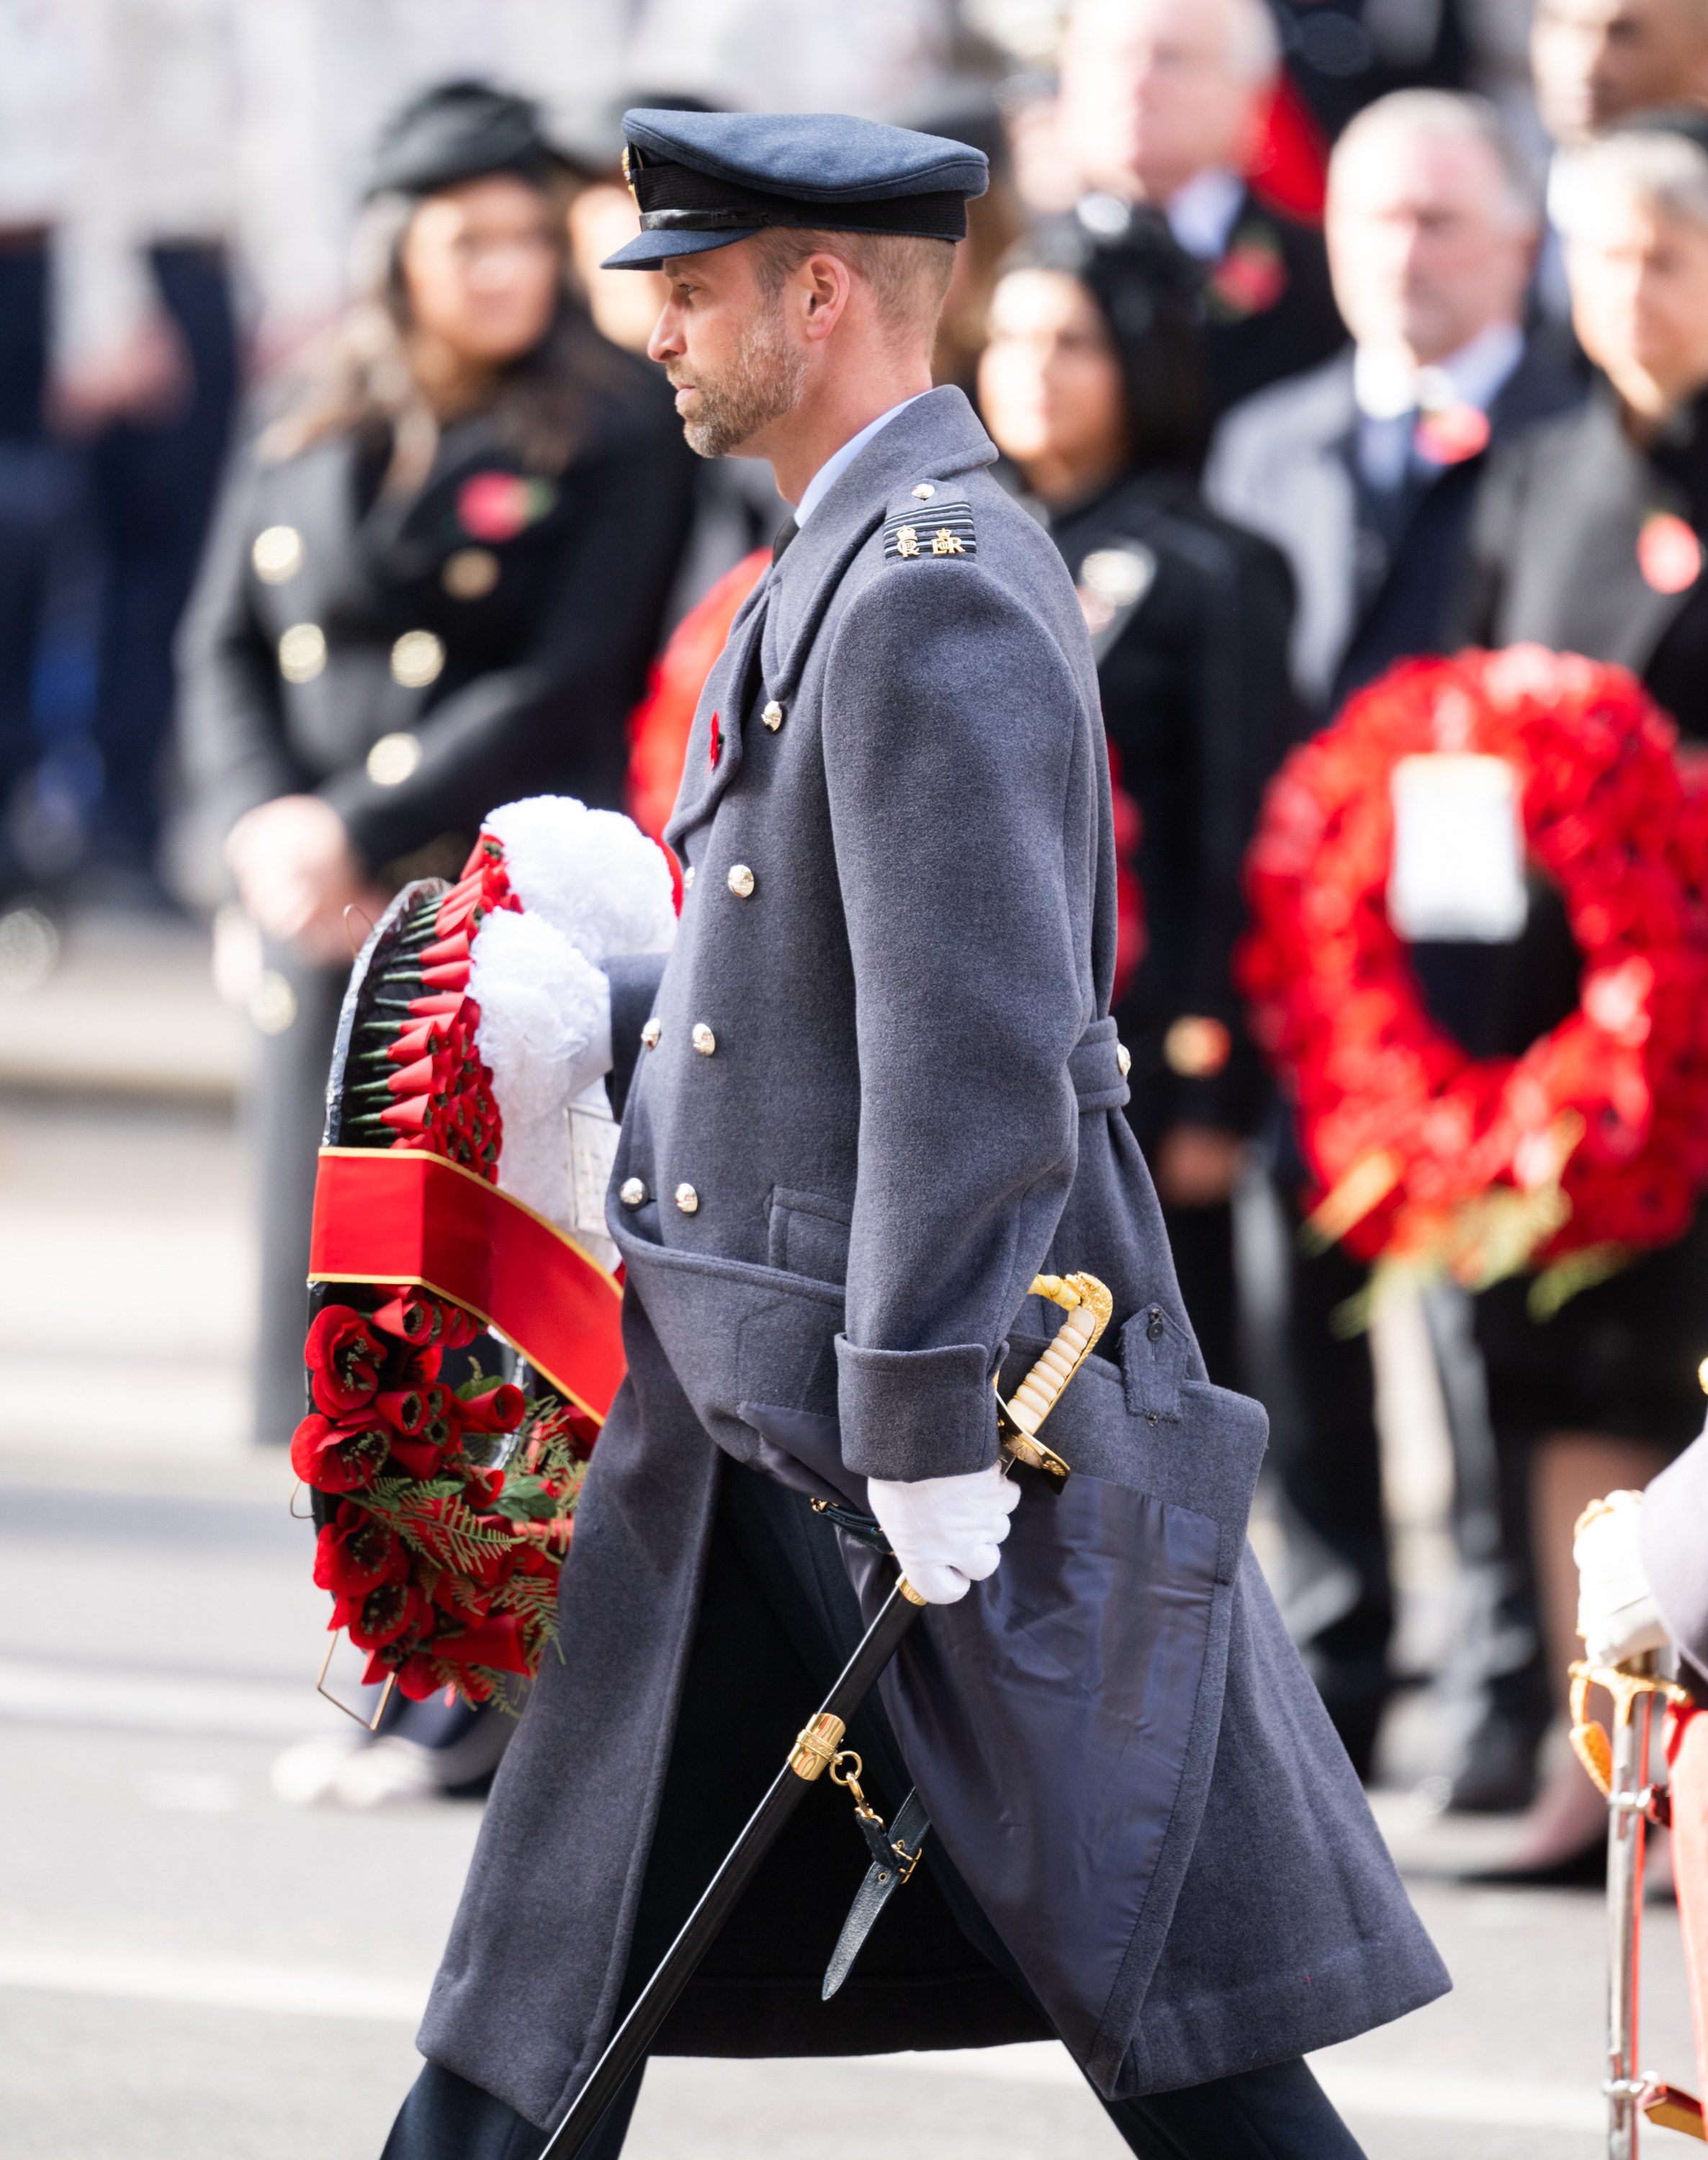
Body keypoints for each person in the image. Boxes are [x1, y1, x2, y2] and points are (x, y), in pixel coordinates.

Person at [379, 104, 1448, 2160]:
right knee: (527, 2017)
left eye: (692, 292)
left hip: (899, 1409)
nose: (661, 335)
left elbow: (977, 1053)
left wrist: (924, 1416)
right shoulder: (852, 556)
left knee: (1182, 2019)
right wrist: (620, 999)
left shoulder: (924, 586)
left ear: (820, 293)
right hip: (758, 1390)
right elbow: (831, 978)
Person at [175, 79, 695, 1466]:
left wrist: (349, 827)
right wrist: (258, 829)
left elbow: (564, 676)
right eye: (469, 242)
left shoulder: (612, 424)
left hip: (474, 893)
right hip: (308, 888)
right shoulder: (307, 399)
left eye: (529, 238)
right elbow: (221, 637)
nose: (508, 270)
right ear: (398, 251)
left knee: (451, 1336)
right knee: (313, 1307)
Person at [1204, 90, 1577, 1788]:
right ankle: (1337, 1668)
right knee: (1295, 1323)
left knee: (1484, 1338)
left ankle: (1508, 1680)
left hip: (1499, 975)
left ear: (1514, 241)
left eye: (1438, 221)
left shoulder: (1569, 428)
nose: (1401, 255)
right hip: (1306, 966)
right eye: (1372, 220)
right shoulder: (1266, 437)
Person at [1452, 111, 1708, 1877]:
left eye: (1663, 256)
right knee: (1561, 1365)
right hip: (1562, 1016)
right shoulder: (1537, 467)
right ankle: (1596, 1765)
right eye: (1600, 255)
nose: (1625, 292)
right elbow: (1462, 713)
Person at [977, 219, 1301, 1390]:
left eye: (1072, 341)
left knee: (1147, 1405)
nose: (1031, 368)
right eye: (1010, 336)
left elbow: (1241, 837)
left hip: (1143, 1055)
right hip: (983, 1053)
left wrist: (1215, 1084)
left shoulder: (1214, 567)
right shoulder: (957, 540)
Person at [1057, 0, 1345, 418]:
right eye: (1110, 56)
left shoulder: (1322, 276)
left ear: (1253, 93)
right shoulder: (1012, 260)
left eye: (1170, 58)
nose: (1136, 82)